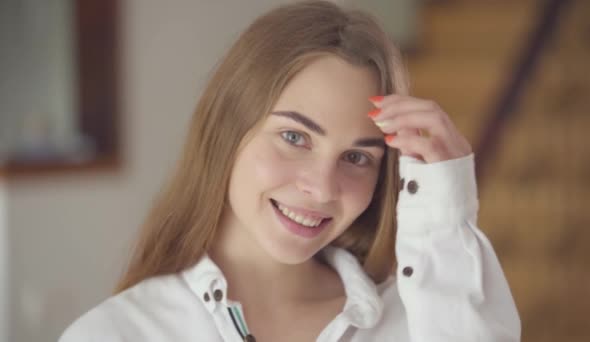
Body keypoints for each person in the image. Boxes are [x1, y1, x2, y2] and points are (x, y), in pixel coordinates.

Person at [60, 1, 521, 341]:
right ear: (227, 127)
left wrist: (446, 208)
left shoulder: (417, 323)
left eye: (358, 157)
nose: (321, 188)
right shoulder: (115, 333)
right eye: (295, 137)